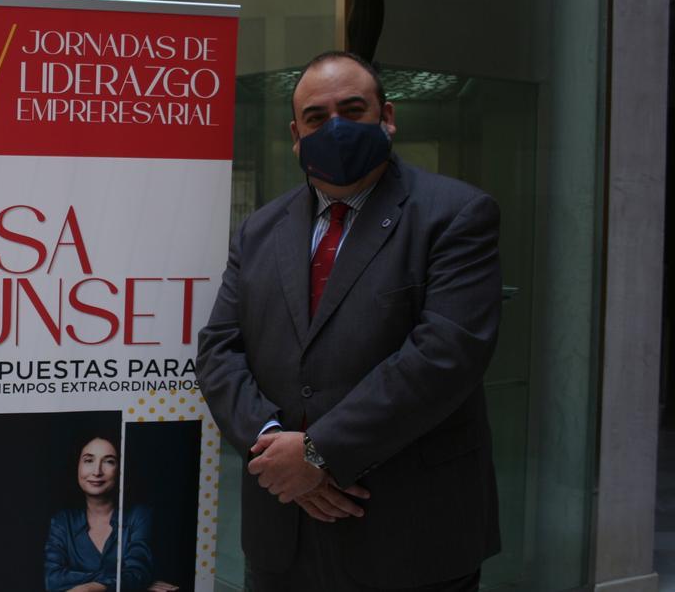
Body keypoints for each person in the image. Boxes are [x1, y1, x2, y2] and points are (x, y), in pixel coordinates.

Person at [196, 52, 501, 591]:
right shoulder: (259, 231)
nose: (333, 126)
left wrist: (319, 452)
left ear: (387, 117)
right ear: (296, 133)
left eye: (352, 110)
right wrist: (276, 449)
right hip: (283, 531)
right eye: (316, 117)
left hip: (411, 532)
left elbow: (446, 355)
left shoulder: (456, 215)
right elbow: (220, 350)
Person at [43, 434, 176, 592]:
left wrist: (88, 588)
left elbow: (138, 571)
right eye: (89, 460)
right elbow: (53, 581)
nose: (97, 471)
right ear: (77, 465)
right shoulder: (62, 521)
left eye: (109, 461)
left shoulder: (139, 515)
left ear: (121, 469)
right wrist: (131, 583)